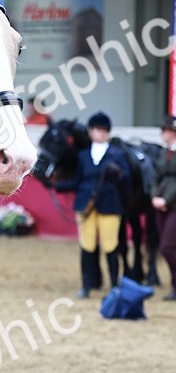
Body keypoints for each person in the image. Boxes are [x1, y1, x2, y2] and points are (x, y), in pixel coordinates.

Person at [56, 111, 131, 298]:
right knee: (87, 245)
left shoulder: (118, 154)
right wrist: (56, 186)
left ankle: (114, 286)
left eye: (104, 130)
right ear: (90, 131)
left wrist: (118, 172)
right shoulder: (82, 156)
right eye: (98, 129)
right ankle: (86, 285)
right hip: (85, 206)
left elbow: (127, 179)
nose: (101, 133)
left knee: (110, 245)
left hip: (109, 205)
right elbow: (77, 181)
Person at [151, 113, 176, 301]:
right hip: (161, 204)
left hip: (173, 205)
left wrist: (165, 200)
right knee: (166, 246)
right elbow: (156, 176)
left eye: (165, 130)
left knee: (168, 246)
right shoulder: (163, 152)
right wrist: (154, 196)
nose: (162, 133)